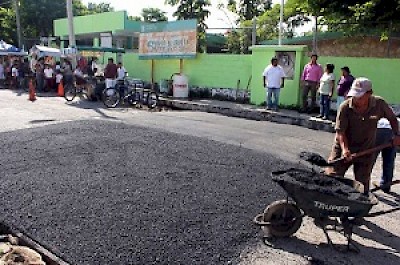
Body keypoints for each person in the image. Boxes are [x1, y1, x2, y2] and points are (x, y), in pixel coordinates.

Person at [326, 77, 400, 194]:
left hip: (366, 149)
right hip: (343, 147)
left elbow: (392, 118)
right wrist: (345, 150)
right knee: (331, 177)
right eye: (354, 95)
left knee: (362, 184)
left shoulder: (379, 104)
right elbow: (341, 132)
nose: (356, 99)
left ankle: (357, 209)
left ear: (370, 93)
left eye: (360, 95)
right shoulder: (345, 107)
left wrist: (397, 135)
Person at [372, 118, 398, 193]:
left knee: (370, 159)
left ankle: (364, 185)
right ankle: (386, 185)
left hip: (379, 129)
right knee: (389, 161)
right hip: (394, 130)